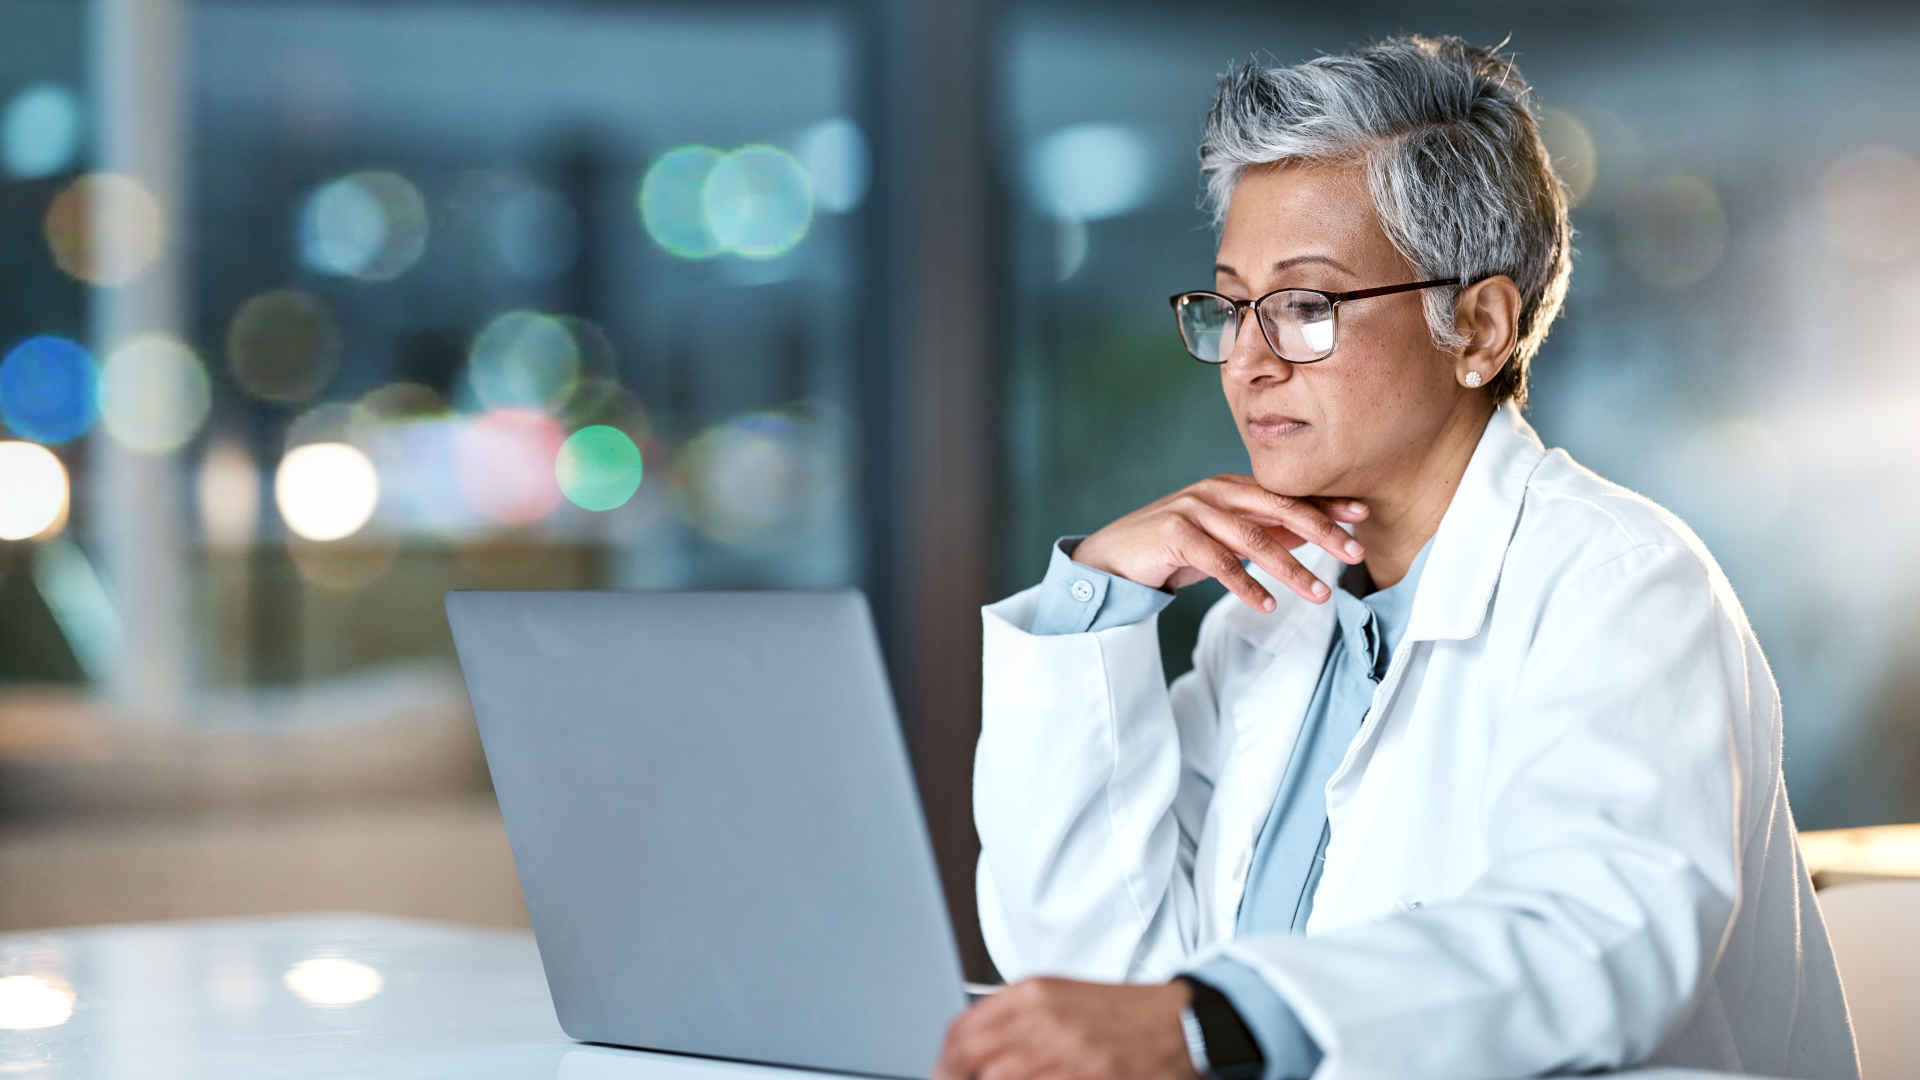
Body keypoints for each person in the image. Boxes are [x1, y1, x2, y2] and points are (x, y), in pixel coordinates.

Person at [938, 33, 1860, 1080]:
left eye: (1304, 306)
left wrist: (1220, 1023)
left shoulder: (1619, 582)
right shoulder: (1269, 619)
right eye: (1230, 305)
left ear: (1477, 327)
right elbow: (1093, 970)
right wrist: (1092, 599)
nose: (1246, 360)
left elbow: (1596, 943)